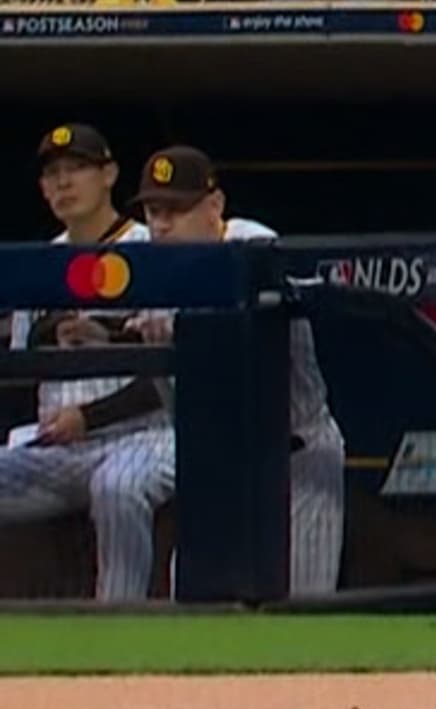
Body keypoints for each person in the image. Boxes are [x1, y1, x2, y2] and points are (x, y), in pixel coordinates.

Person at [127, 146, 344, 594]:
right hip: (215, 466)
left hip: (295, 462)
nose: (162, 225)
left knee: (296, 614)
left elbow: (249, 347)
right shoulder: (149, 268)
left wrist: (182, 328)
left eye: (177, 210)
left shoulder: (253, 244)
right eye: (153, 211)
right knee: (197, 608)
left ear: (214, 206)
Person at [0, 125, 172, 603]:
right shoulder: (40, 262)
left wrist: (89, 417)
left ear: (109, 174)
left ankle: (118, 623)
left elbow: (168, 382)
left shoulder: (150, 250)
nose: (63, 182)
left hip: (140, 437)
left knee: (117, 488)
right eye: (52, 174)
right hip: (55, 446)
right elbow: (21, 364)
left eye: (76, 168)